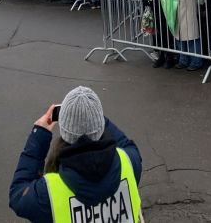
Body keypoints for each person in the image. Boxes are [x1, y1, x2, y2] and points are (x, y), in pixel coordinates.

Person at [9, 86, 142, 223]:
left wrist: (39, 135)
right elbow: (126, 144)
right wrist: (93, 119)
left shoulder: (48, 193)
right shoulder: (129, 162)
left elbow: (18, 195)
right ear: (100, 125)